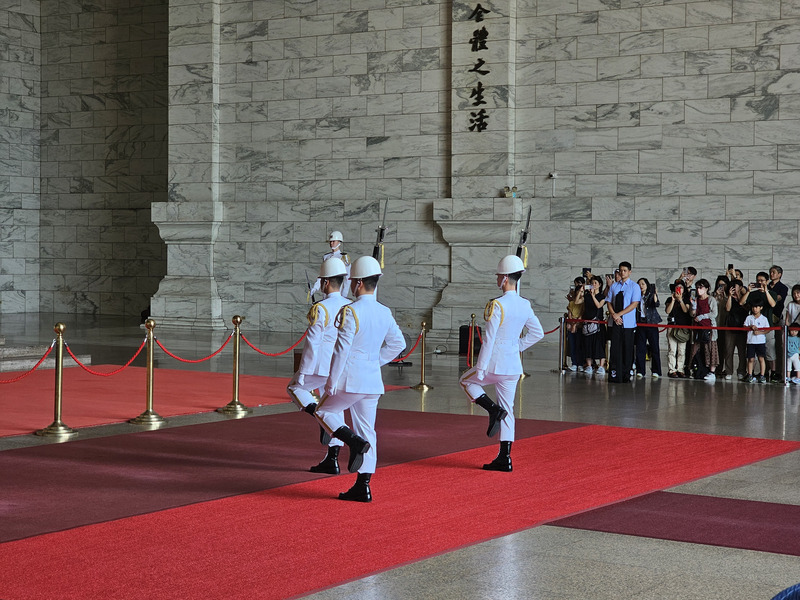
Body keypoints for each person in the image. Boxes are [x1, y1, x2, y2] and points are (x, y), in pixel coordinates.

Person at [314, 256, 405, 502]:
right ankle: (363, 485)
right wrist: (375, 361)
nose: (350, 285)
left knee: (323, 412)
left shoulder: (351, 311)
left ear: (359, 283)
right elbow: (399, 344)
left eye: (353, 281)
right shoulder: (384, 311)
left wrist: (331, 381)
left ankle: (352, 442)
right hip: (372, 381)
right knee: (368, 431)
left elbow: (341, 350)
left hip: (351, 380)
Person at [459, 255, 544, 472]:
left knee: (466, 382)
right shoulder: (525, 304)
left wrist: (480, 368)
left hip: (495, 362)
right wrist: (517, 347)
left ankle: (491, 409)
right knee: (509, 408)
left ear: (505, 278)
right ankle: (505, 458)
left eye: (499, 276)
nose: (497, 279)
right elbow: (537, 333)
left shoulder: (497, 304)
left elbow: (488, 339)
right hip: (513, 365)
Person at [286, 257, 350, 474]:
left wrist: (303, 372)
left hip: (321, 365)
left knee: (294, 388)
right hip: (341, 367)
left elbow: (312, 344)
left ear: (325, 283)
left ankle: (319, 416)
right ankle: (332, 458)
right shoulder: (350, 306)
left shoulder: (321, 308)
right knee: (335, 408)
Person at [605, 262, 641, 383]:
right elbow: (609, 302)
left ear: (629, 272)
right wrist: (614, 315)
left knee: (627, 348)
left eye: (625, 270)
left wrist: (619, 314)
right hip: (615, 322)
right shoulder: (614, 286)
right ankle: (614, 373)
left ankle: (626, 373)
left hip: (628, 323)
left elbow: (634, 304)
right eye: (620, 270)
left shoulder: (634, 286)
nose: (622, 272)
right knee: (615, 348)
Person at [740, 271, 776, 379]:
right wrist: (748, 291)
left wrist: (766, 292)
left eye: (762, 281)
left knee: (769, 351)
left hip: (767, 326)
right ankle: (751, 373)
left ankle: (772, 372)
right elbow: (741, 303)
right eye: (758, 281)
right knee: (752, 355)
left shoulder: (772, 293)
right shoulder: (753, 294)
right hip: (753, 328)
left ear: (767, 281)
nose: (760, 283)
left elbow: (773, 304)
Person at [688, 279, 719, 381]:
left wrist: (702, 316)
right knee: (696, 349)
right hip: (697, 328)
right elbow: (692, 314)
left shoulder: (711, 299)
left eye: (701, 287)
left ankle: (712, 372)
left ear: (706, 288)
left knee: (710, 349)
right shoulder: (695, 299)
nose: (699, 290)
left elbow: (714, 313)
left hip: (708, 328)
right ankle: (695, 369)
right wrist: (693, 306)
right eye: (697, 287)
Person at [577, 275, 607, 375]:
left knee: (599, 345)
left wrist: (593, 295)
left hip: (598, 324)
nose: (593, 285)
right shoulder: (587, 296)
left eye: (595, 283)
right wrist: (581, 291)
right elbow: (577, 301)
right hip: (587, 323)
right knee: (588, 344)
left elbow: (598, 305)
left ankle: (601, 366)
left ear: (599, 285)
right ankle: (589, 365)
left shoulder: (602, 296)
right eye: (592, 283)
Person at [309, 231, 351, 299]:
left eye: (333, 241)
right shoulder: (326, 257)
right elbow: (322, 275)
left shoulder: (343, 257)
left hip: (337, 292)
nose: (331, 243)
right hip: (326, 290)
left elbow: (347, 278)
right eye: (330, 241)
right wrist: (315, 288)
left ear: (339, 242)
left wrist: (344, 295)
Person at [634, 278, 662, 379]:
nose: (641, 286)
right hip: (640, 324)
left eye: (643, 284)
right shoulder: (636, 296)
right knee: (640, 348)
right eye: (639, 284)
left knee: (654, 348)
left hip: (651, 323)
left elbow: (656, 304)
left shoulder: (650, 295)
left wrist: (655, 294)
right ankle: (640, 370)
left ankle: (656, 371)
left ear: (647, 285)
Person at [665, 279, 691, 378]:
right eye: (677, 288)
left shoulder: (686, 299)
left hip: (683, 328)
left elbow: (686, 310)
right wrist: (673, 300)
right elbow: (668, 311)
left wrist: (680, 300)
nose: (678, 290)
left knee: (681, 350)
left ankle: (680, 369)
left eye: (681, 288)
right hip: (671, 326)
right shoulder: (669, 299)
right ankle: (672, 370)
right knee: (672, 349)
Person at [723, 279, 749, 380]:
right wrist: (730, 296)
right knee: (729, 350)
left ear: (741, 287)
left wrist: (739, 296)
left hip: (742, 327)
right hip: (730, 326)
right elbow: (728, 309)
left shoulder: (745, 297)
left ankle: (742, 371)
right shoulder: (728, 297)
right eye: (733, 286)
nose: (734, 288)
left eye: (736, 286)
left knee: (742, 351)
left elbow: (745, 307)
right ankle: (729, 371)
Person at [767, 265, 788, 382]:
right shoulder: (766, 285)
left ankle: (779, 372)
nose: (771, 274)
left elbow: (777, 299)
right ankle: (765, 371)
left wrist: (766, 293)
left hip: (776, 319)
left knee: (778, 346)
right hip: (765, 318)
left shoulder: (783, 288)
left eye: (774, 272)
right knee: (765, 345)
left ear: (779, 274)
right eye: (770, 272)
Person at [744, 300, 770, 383]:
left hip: (760, 342)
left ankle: (762, 375)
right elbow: (744, 326)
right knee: (750, 359)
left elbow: (767, 329)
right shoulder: (749, 318)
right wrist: (750, 326)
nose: (755, 309)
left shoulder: (764, 319)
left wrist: (760, 332)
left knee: (761, 359)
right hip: (751, 342)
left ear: (761, 308)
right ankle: (750, 374)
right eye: (753, 307)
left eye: (756, 307)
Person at [565, 276, 585, 371]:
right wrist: (572, 324)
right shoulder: (571, 303)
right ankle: (574, 363)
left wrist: (575, 324)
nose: (580, 294)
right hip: (572, 326)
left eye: (582, 292)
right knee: (572, 345)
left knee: (579, 345)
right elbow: (570, 314)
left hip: (579, 326)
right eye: (579, 292)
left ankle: (581, 363)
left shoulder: (584, 302)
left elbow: (581, 315)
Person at [783, 284, 800, 384]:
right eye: (794, 293)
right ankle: (792, 376)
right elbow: (787, 318)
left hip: (799, 331)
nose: (796, 295)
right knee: (791, 354)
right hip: (792, 330)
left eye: (798, 293)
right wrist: (787, 329)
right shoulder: (790, 304)